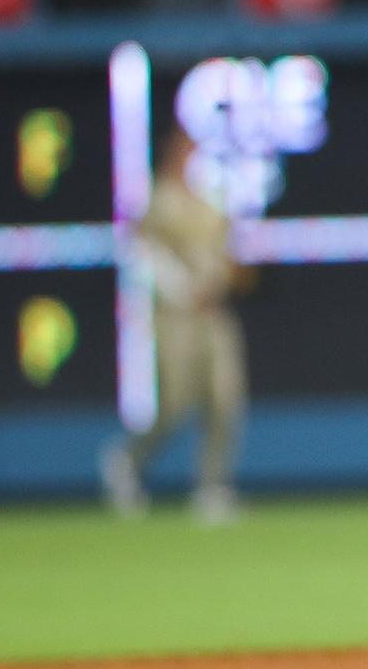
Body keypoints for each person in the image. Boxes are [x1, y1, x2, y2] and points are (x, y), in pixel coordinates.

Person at [99, 129, 249, 525]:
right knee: (176, 402)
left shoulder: (211, 200)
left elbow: (224, 255)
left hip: (213, 312)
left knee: (225, 398)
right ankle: (127, 461)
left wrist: (224, 280)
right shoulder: (160, 200)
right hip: (176, 315)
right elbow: (144, 252)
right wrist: (185, 290)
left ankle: (212, 487)